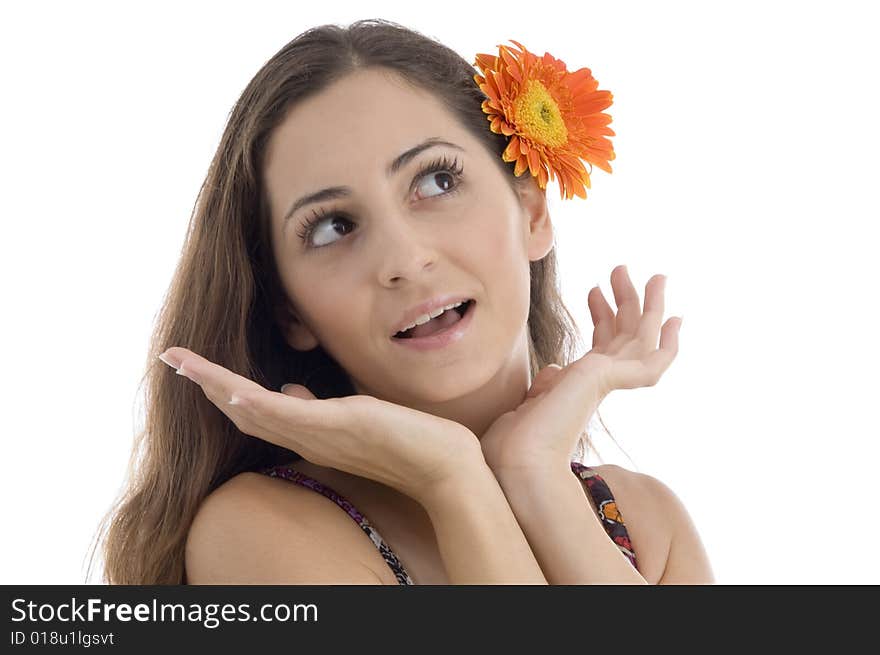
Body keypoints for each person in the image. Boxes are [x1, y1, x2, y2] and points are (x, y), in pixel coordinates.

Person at [93, 18, 714, 585]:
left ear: (531, 209)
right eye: (333, 225)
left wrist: (534, 474)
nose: (403, 259)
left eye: (436, 181)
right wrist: (453, 478)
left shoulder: (648, 522)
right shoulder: (259, 532)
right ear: (290, 312)